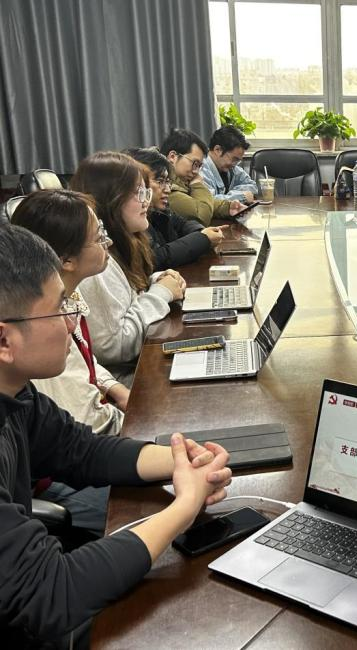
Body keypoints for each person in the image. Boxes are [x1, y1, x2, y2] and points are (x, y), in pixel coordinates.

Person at [0, 224, 232, 648]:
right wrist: (184, 507)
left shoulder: (14, 394)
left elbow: (80, 450)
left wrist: (181, 460)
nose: (73, 320)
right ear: (4, 339)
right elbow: (54, 591)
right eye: (60, 307)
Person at [11, 190, 126, 436]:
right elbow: (90, 423)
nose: (108, 243)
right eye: (99, 237)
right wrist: (143, 417)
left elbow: (85, 361)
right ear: (67, 261)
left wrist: (114, 387)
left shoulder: (68, 295)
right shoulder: (46, 323)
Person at [70, 151, 186, 384]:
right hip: (125, 378)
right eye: (138, 193)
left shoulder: (123, 245)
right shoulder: (96, 264)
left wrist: (155, 281)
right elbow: (114, 347)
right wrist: (161, 293)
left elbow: (127, 301)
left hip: (138, 365)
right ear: (109, 199)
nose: (146, 201)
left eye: (146, 191)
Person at [126, 147, 229, 270]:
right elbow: (156, 258)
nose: (167, 189)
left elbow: (183, 224)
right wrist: (203, 238)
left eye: (168, 182)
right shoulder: (133, 217)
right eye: (160, 181)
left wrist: (203, 232)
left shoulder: (159, 209)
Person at [158, 128, 244, 226]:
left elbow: (195, 202)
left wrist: (228, 208)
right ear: (173, 156)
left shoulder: (179, 181)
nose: (196, 172)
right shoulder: (164, 187)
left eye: (199, 166)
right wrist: (198, 184)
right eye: (195, 164)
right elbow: (202, 216)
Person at [200, 125, 257, 203]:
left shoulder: (232, 168)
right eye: (234, 159)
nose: (235, 164)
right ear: (218, 150)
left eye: (238, 161)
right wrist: (241, 196)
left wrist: (231, 194)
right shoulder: (201, 170)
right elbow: (209, 202)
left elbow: (253, 186)